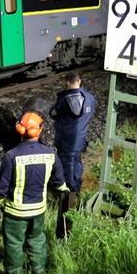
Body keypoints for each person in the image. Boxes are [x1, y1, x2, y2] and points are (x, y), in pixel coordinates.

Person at [0, 111, 69, 274]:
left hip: (15, 212)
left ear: (19, 130)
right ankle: (38, 272)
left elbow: (2, 187)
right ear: (40, 130)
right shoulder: (50, 154)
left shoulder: (11, 156)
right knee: (37, 240)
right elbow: (59, 182)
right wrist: (64, 191)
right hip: (38, 211)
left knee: (14, 243)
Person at [49, 71, 96, 239]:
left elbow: (53, 113)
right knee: (76, 165)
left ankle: (65, 221)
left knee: (67, 176)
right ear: (79, 81)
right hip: (79, 141)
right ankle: (74, 189)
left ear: (67, 83)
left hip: (67, 142)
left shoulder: (65, 100)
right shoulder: (90, 98)